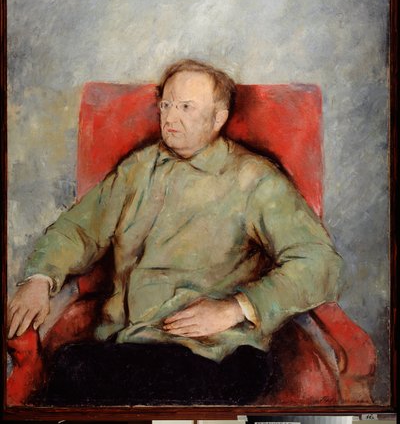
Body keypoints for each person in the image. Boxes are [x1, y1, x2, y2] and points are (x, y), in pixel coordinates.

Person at [7, 59, 342, 405]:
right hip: (130, 345)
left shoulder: (255, 179)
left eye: (185, 107)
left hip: (218, 354)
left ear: (218, 118)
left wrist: (236, 307)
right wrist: (40, 278)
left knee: (76, 371)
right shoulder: (138, 169)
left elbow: (320, 262)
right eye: (166, 105)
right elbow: (79, 228)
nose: (169, 118)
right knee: (72, 367)